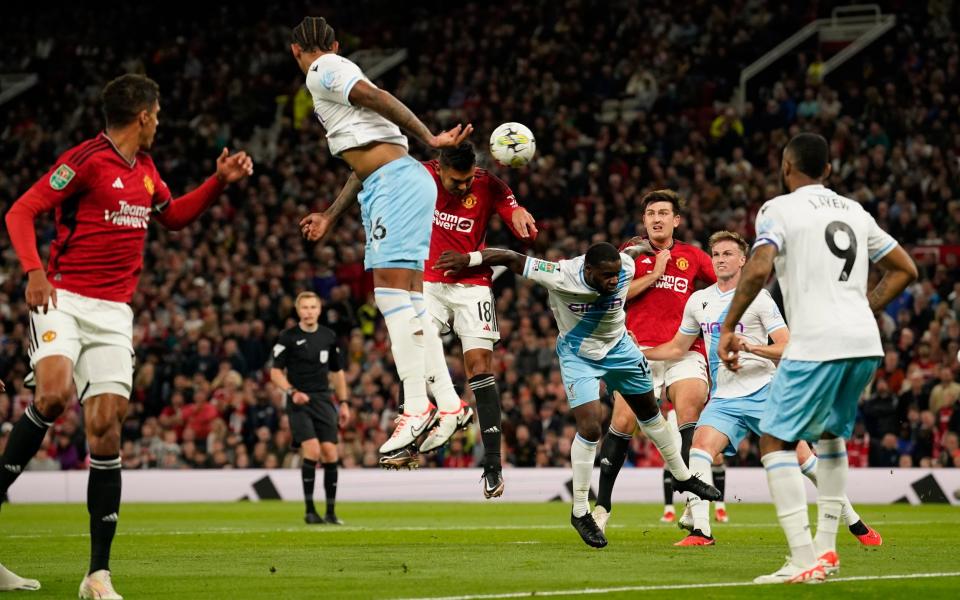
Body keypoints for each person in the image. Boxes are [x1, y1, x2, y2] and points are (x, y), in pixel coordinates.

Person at [0, 73, 253, 599]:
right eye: (157, 114)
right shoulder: (87, 159)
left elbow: (175, 216)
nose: (159, 122)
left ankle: (97, 575)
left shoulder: (146, 170)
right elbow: (21, 210)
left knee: (107, 427)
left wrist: (218, 183)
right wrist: (32, 270)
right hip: (63, 298)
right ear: (143, 115)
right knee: (52, 393)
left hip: (115, 313)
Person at [718, 133, 916, 583]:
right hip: (864, 342)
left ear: (787, 168)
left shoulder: (779, 209)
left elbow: (760, 264)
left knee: (774, 440)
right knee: (829, 438)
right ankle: (826, 552)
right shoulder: (855, 211)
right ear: (828, 170)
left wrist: (730, 326)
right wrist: (864, 308)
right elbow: (906, 269)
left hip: (817, 343)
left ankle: (802, 557)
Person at [435, 242, 720, 548]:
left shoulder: (624, 265)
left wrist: (638, 249)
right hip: (578, 356)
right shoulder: (560, 274)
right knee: (590, 427)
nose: (614, 280)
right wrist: (467, 258)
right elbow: (508, 256)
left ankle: (681, 475)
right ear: (588, 270)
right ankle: (581, 510)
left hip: (621, 349)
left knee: (651, 414)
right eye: (607, 275)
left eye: (616, 274)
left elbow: (631, 257)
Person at [290, 16, 473, 463]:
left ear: (296, 51)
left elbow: (375, 95)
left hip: (395, 182)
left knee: (391, 299)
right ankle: (449, 404)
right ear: (332, 41)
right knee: (408, 302)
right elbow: (362, 162)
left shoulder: (323, 70)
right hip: (391, 181)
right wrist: (332, 215)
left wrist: (429, 137)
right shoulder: (336, 79)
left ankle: (415, 409)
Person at [643, 231, 882, 548]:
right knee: (698, 452)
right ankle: (701, 531)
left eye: (728, 254)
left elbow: (787, 346)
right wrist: (641, 351)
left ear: (743, 260)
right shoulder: (699, 301)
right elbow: (677, 348)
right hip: (725, 398)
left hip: (765, 392)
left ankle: (853, 521)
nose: (721, 259)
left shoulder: (758, 298)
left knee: (804, 461)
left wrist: (752, 348)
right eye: (716, 255)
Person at [595, 189, 717, 527]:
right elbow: (611, 294)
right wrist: (653, 273)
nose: (657, 219)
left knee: (689, 411)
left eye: (664, 213)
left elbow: (725, 284)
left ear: (676, 220)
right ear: (644, 221)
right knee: (622, 423)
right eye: (651, 214)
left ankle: (694, 505)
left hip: (683, 350)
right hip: (637, 354)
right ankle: (602, 508)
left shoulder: (693, 256)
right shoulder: (629, 255)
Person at [269, 292, 350, 525]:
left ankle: (331, 513)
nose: (309, 311)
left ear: (319, 310)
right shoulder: (288, 337)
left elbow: (337, 372)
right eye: (304, 307)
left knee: (331, 454)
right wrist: (292, 392)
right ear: (298, 311)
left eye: (313, 307)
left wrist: (343, 402)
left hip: (324, 400)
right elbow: (275, 372)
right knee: (313, 452)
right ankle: (310, 510)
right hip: (298, 401)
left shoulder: (328, 336)